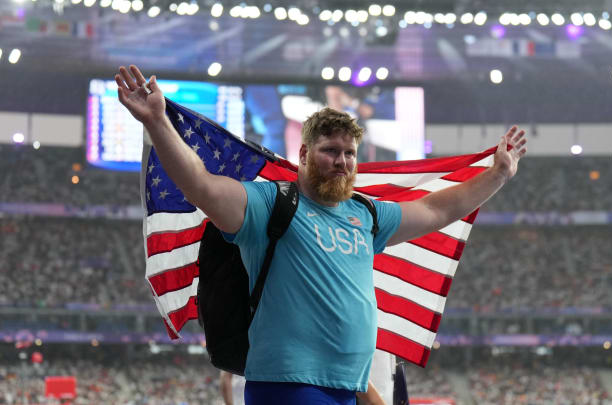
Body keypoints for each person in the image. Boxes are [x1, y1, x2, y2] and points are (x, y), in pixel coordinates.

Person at [115, 65, 526, 404]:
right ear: (305, 154)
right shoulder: (269, 205)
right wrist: (156, 120)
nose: (342, 161)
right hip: (287, 385)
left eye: (349, 153)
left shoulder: (365, 214)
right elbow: (200, 185)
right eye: (331, 150)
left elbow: (436, 208)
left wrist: (497, 175)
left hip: (350, 388)